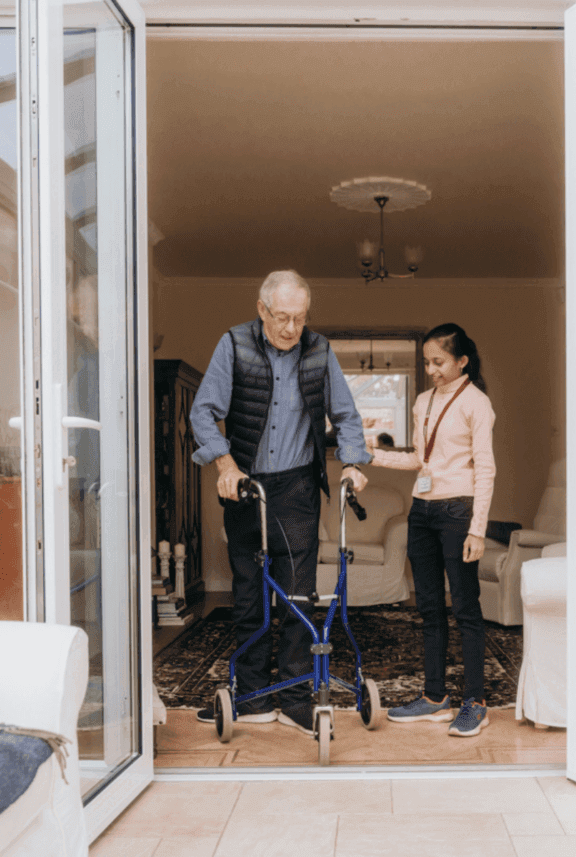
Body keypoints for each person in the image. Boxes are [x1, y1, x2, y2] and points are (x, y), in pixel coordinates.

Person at [189, 270, 371, 734]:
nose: (292, 328)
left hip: (296, 488)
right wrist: (225, 466)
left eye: (300, 318)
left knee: (296, 594)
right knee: (249, 592)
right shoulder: (233, 345)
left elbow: (346, 414)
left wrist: (352, 462)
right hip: (246, 484)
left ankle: (294, 697)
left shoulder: (320, 350)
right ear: (262, 309)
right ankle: (251, 696)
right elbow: (204, 411)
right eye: (283, 318)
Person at [369, 323, 496, 736]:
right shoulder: (422, 401)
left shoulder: (476, 403)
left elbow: (486, 469)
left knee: (465, 607)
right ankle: (435, 696)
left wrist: (477, 530)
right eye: (426, 362)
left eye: (439, 361)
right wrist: (374, 456)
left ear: (462, 361)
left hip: (459, 512)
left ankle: (475, 702)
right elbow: (420, 461)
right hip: (422, 512)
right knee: (428, 606)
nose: (431, 369)